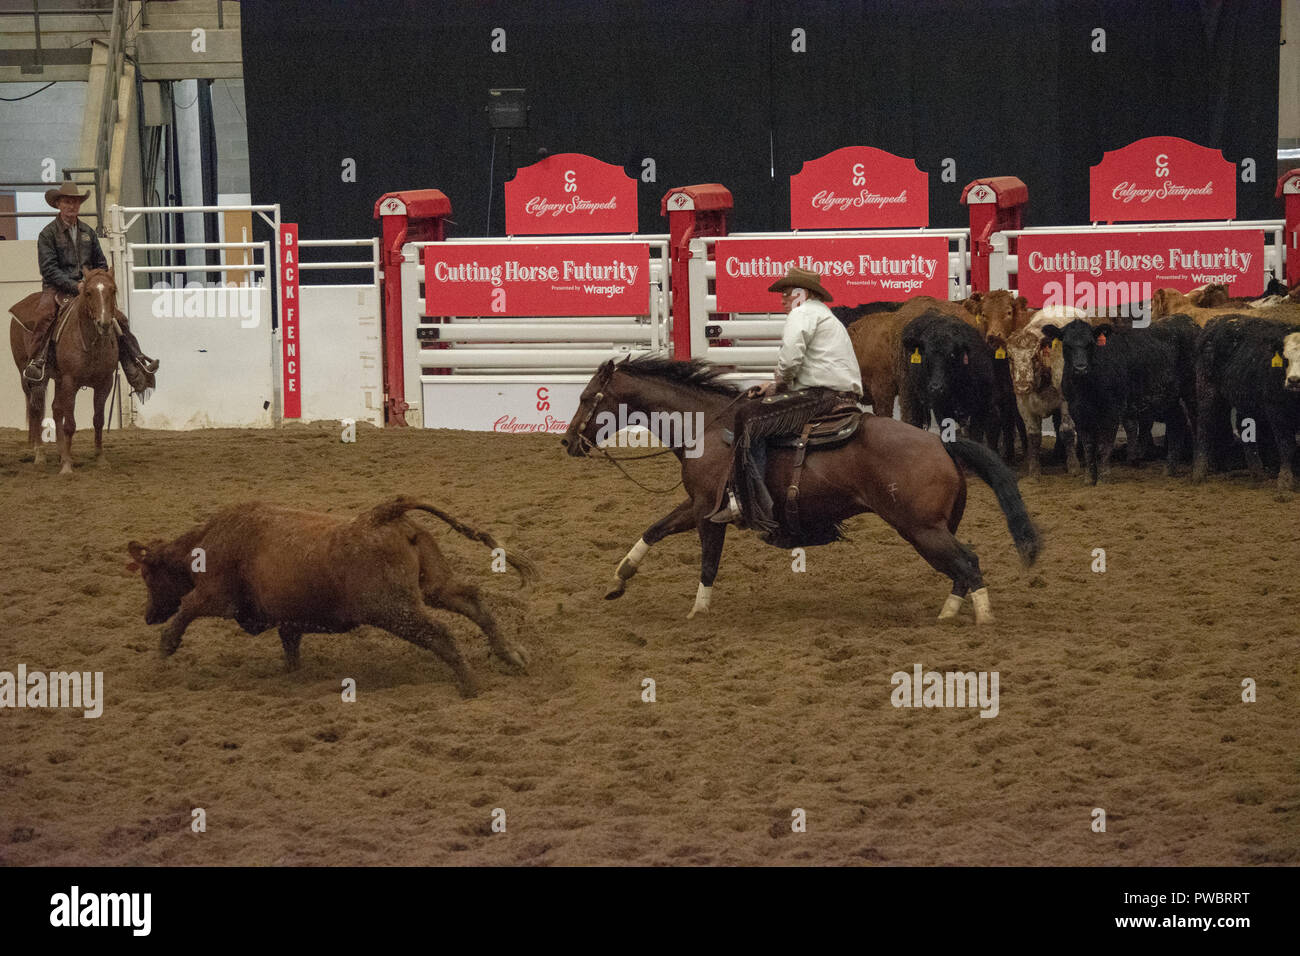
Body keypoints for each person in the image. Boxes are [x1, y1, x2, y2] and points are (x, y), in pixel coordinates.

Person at [708, 266, 863, 534]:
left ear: (802, 294)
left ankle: (748, 502)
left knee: (748, 416)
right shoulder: (825, 316)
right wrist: (774, 385)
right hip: (835, 393)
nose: (782, 299)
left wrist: (778, 383)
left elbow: (791, 359)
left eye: (786, 293)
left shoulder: (802, 314)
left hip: (821, 396)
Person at [11, 180, 158, 392]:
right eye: (67, 202)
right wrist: (75, 285)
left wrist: (97, 280)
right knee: (44, 315)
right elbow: (49, 269)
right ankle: (38, 362)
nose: (72, 206)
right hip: (56, 289)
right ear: (59, 205)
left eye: (75, 202)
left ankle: (134, 363)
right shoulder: (48, 234)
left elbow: (100, 263)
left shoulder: (88, 233)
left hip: (88, 290)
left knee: (119, 318)